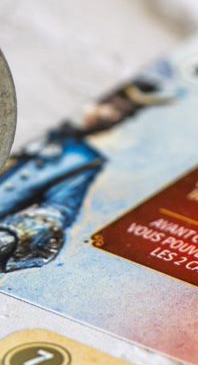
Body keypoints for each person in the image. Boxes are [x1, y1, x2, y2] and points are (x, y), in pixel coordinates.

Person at [0, 71, 175, 272]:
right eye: (108, 102)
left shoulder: (80, 158)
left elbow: (57, 211)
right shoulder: (29, 98)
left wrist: (11, 237)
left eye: (125, 115)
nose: (110, 116)